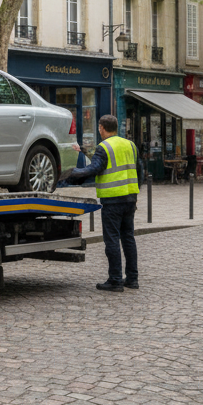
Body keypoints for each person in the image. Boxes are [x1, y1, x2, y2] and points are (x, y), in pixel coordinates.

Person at [61, 114, 140, 292]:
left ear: (101, 128)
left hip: (113, 200)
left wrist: (72, 174)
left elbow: (95, 168)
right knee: (128, 238)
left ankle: (115, 280)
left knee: (111, 239)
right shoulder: (130, 145)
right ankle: (132, 279)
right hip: (130, 198)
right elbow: (139, 169)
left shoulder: (104, 147)